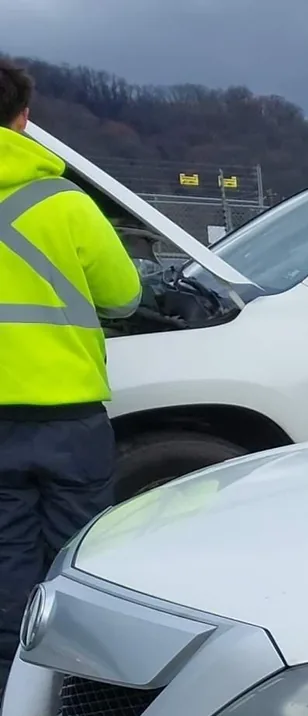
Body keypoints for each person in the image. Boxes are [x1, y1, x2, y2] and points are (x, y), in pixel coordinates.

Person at [0, 61, 140, 669]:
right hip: (68, 417)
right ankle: (75, 685)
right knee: (79, 560)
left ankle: (9, 687)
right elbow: (124, 297)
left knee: (5, 562)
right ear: (23, 118)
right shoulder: (63, 202)